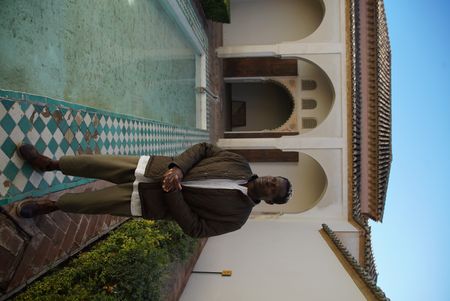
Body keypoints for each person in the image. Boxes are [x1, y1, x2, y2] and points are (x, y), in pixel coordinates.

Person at [15, 142, 292, 238]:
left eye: (273, 189)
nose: (269, 182)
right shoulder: (238, 162)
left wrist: (173, 193)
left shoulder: (237, 218)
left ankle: (49, 205)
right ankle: (48, 164)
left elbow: (196, 228)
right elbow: (204, 149)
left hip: (150, 203)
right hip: (151, 168)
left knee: (93, 202)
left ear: (269, 201)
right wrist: (179, 169)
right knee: (95, 163)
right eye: (273, 179)